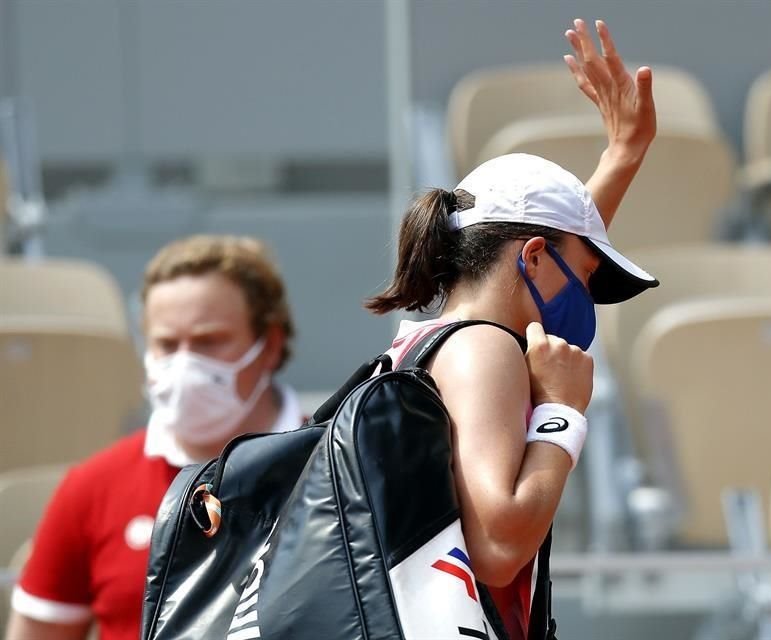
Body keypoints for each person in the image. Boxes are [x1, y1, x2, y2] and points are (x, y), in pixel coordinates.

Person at [368, 19, 658, 640]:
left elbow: (557, 244)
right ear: (530, 257)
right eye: (583, 274)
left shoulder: (430, 341)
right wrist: (563, 411)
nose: (584, 296)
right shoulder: (484, 348)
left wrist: (623, 155)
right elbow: (500, 544)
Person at [6, 235, 303, 640]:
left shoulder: (341, 469)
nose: (184, 363)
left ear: (269, 345)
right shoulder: (91, 488)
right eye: (166, 344)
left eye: (208, 341)